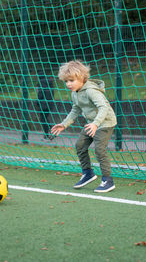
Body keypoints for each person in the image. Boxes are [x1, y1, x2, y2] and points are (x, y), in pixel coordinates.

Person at [51, 60, 117, 193]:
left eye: (71, 80)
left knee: (99, 150)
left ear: (81, 78)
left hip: (105, 122)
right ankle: (88, 173)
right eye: (66, 81)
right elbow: (75, 110)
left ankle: (108, 181)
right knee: (80, 145)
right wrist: (64, 124)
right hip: (92, 123)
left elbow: (103, 107)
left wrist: (95, 124)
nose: (68, 84)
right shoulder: (75, 92)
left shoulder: (92, 91)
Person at [37, 70, 55, 141]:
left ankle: (47, 135)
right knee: (46, 118)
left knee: (43, 119)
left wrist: (38, 102)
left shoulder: (41, 84)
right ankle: (52, 131)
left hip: (43, 104)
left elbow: (40, 95)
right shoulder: (50, 83)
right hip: (50, 103)